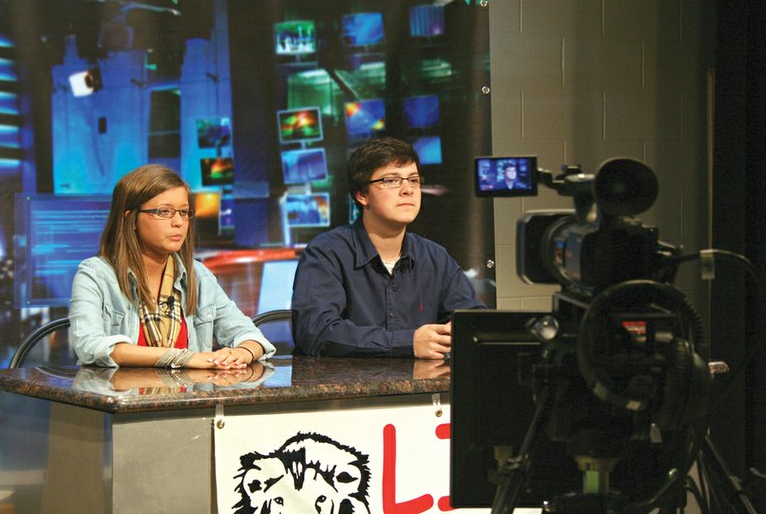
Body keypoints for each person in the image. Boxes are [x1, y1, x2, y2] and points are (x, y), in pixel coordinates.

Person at [291, 137, 486, 359]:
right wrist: (408, 343)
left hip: (420, 391)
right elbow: (316, 332)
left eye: (413, 180)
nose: (407, 190)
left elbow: (474, 319)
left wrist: (459, 331)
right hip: (348, 392)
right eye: (391, 180)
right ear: (362, 195)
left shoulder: (434, 256)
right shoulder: (326, 252)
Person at [69, 164, 275, 369]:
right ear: (130, 218)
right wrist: (184, 358)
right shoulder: (95, 274)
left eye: (184, 212)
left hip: (188, 398)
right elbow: (90, 346)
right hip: (123, 398)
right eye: (165, 212)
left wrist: (241, 353)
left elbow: (250, 335)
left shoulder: (198, 275)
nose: (178, 222)